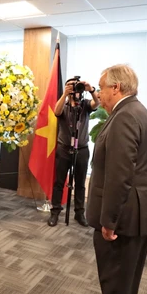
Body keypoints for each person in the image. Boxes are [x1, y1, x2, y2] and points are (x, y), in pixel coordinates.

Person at [86, 64, 147, 294]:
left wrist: (109, 221)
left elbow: (120, 175)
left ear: (116, 87)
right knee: (127, 281)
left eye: (101, 88)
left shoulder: (125, 116)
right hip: (136, 212)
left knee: (116, 284)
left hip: (124, 217)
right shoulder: (138, 111)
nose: (99, 94)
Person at [47, 77, 99, 227]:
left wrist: (92, 90)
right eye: (71, 86)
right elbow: (56, 112)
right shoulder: (63, 105)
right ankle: (55, 212)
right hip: (64, 148)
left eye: (76, 87)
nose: (75, 89)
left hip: (81, 149)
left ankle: (79, 213)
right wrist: (65, 94)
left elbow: (97, 103)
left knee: (80, 183)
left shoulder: (85, 105)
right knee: (59, 182)